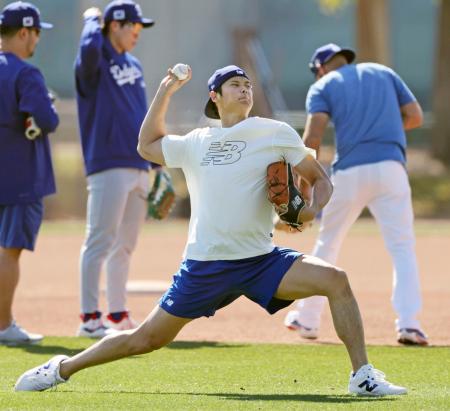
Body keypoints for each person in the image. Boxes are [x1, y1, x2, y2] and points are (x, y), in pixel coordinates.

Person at [15, 65, 406, 396]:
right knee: (146, 339)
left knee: (336, 280)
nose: (245, 88)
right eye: (236, 84)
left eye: (248, 84)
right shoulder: (197, 141)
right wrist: (167, 89)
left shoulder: (273, 132)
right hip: (205, 265)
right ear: (215, 96)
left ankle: (362, 376)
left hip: (259, 260)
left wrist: (310, 210)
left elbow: (320, 179)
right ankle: (61, 369)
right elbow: (146, 145)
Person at [284, 43, 428, 346]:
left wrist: (305, 187)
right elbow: (415, 116)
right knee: (402, 247)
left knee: (328, 242)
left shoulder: (323, 85)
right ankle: (409, 324)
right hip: (391, 168)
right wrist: (385, 129)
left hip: (350, 171)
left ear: (320, 68)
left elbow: (312, 137)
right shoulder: (383, 71)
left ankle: (307, 319)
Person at [75, 0, 158, 337]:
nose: (138, 33)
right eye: (133, 27)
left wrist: (155, 162)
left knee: (125, 245)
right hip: (108, 163)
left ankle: (117, 315)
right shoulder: (93, 62)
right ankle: (89, 318)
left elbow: (142, 116)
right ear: (114, 26)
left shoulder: (134, 64)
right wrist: (93, 20)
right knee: (99, 240)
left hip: (138, 164)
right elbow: (89, 50)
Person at [0, 1, 58, 344]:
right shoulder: (25, 73)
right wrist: (44, 108)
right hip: (20, 178)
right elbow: (47, 120)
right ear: (23, 32)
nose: (37, 39)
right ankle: (4, 325)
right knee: (9, 251)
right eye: (35, 32)